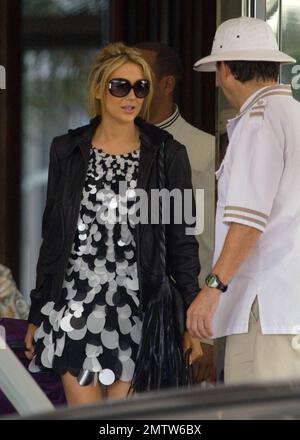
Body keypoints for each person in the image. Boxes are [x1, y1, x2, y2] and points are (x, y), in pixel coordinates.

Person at [24, 42, 202, 405]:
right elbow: (54, 240)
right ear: (98, 90)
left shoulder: (167, 154)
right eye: (120, 86)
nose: (131, 96)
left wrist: (190, 319)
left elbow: (181, 240)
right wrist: (37, 310)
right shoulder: (67, 150)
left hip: (138, 310)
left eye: (141, 87)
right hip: (76, 308)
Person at [188, 16, 300, 385]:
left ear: (224, 71)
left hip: (266, 309)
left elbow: (249, 220)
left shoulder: (258, 120)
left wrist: (213, 287)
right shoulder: (294, 116)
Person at [136, 42, 215, 383]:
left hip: (178, 319)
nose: (132, 89)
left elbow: (206, 243)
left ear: (166, 85)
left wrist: (203, 331)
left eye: (142, 81)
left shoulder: (202, 151)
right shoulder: (104, 148)